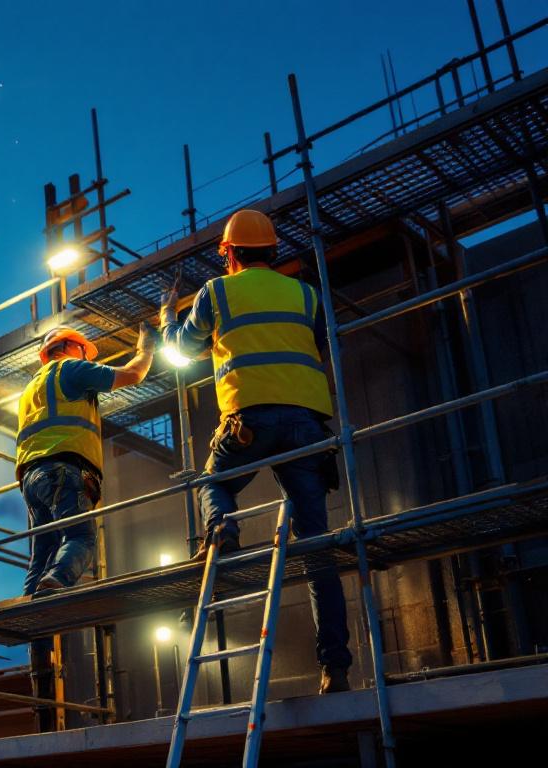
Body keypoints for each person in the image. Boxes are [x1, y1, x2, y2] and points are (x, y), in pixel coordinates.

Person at [160, 208, 352, 694]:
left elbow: (183, 350)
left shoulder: (217, 292)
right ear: (272, 251)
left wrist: (168, 320)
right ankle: (335, 667)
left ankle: (222, 527)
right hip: (308, 424)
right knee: (316, 549)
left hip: (248, 420)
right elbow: (317, 347)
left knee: (214, 483)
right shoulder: (307, 294)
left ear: (228, 254)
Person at [14, 322, 155, 730]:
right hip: (67, 469)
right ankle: (59, 580)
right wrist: (145, 345)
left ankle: (36, 640)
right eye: (84, 350)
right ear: (71, 347)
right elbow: (134, 375)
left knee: (38, 556)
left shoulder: (31, 387)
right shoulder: (69, 371)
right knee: (79, 536)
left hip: (32, 478)